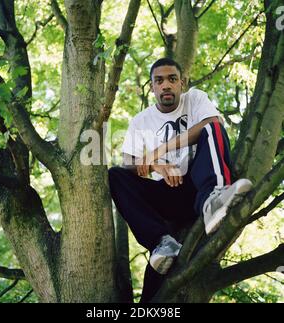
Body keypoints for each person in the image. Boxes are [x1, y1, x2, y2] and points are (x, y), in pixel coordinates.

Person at [108, 58, 252, 300]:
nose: (166, 85)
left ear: (182, 83)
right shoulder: (141, 120)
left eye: (172, 79)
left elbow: (213, 124)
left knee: (212, 128)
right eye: (159, 80)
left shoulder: (195, 99)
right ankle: (161, 242)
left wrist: (159, 150)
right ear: (152, 87)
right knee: (116, 175)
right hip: (167, 195)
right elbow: (128, 161)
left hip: (198, 185)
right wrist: (155, 164)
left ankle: (214, 201)